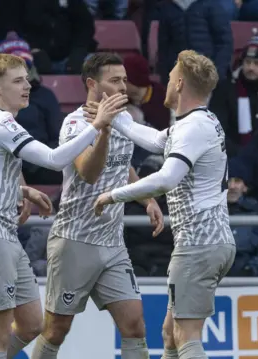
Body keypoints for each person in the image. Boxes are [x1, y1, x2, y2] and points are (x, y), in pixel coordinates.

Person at [0, 53, 125, 359]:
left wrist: (20, 190)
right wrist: (97, 125)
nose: (28, 86)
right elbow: (54, 159)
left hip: (0, 230)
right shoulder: (0, 123)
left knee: (32, 323)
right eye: (18, 81)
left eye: (27, 79)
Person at [89, 50, 236, 359]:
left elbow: (167, 178)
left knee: (186, 335)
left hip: (199, 244)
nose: (166, 83)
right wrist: (114, 119)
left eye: (169, 78)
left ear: (180, 83)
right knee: (170, 333)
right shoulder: (202, 121)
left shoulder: (193, 127)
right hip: (210, 242)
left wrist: (114, 194)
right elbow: (157, 140)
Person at [31, 52, 164, 359]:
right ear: (92, 83)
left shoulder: (126, 118)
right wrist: (103, 130)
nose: (123, 87)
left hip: (112, 243)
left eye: (124, 80)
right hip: (75, 241)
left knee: (135, 325)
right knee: (55, 330)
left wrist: (147, 199)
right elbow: (89, 173)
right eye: (114, 80)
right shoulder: (75, 124)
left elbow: (122, 165)